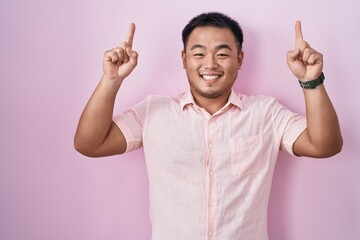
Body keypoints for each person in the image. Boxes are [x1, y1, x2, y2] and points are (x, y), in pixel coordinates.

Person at [74, 12, 342, 240]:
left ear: (239, 59)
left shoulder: (266, 112)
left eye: (222, 54)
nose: (210, 64)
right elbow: (90, 144)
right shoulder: (153, 111)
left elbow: (324, 145)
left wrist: (312, 80)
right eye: (199, 53)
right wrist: (111, 79)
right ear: (184, 59)